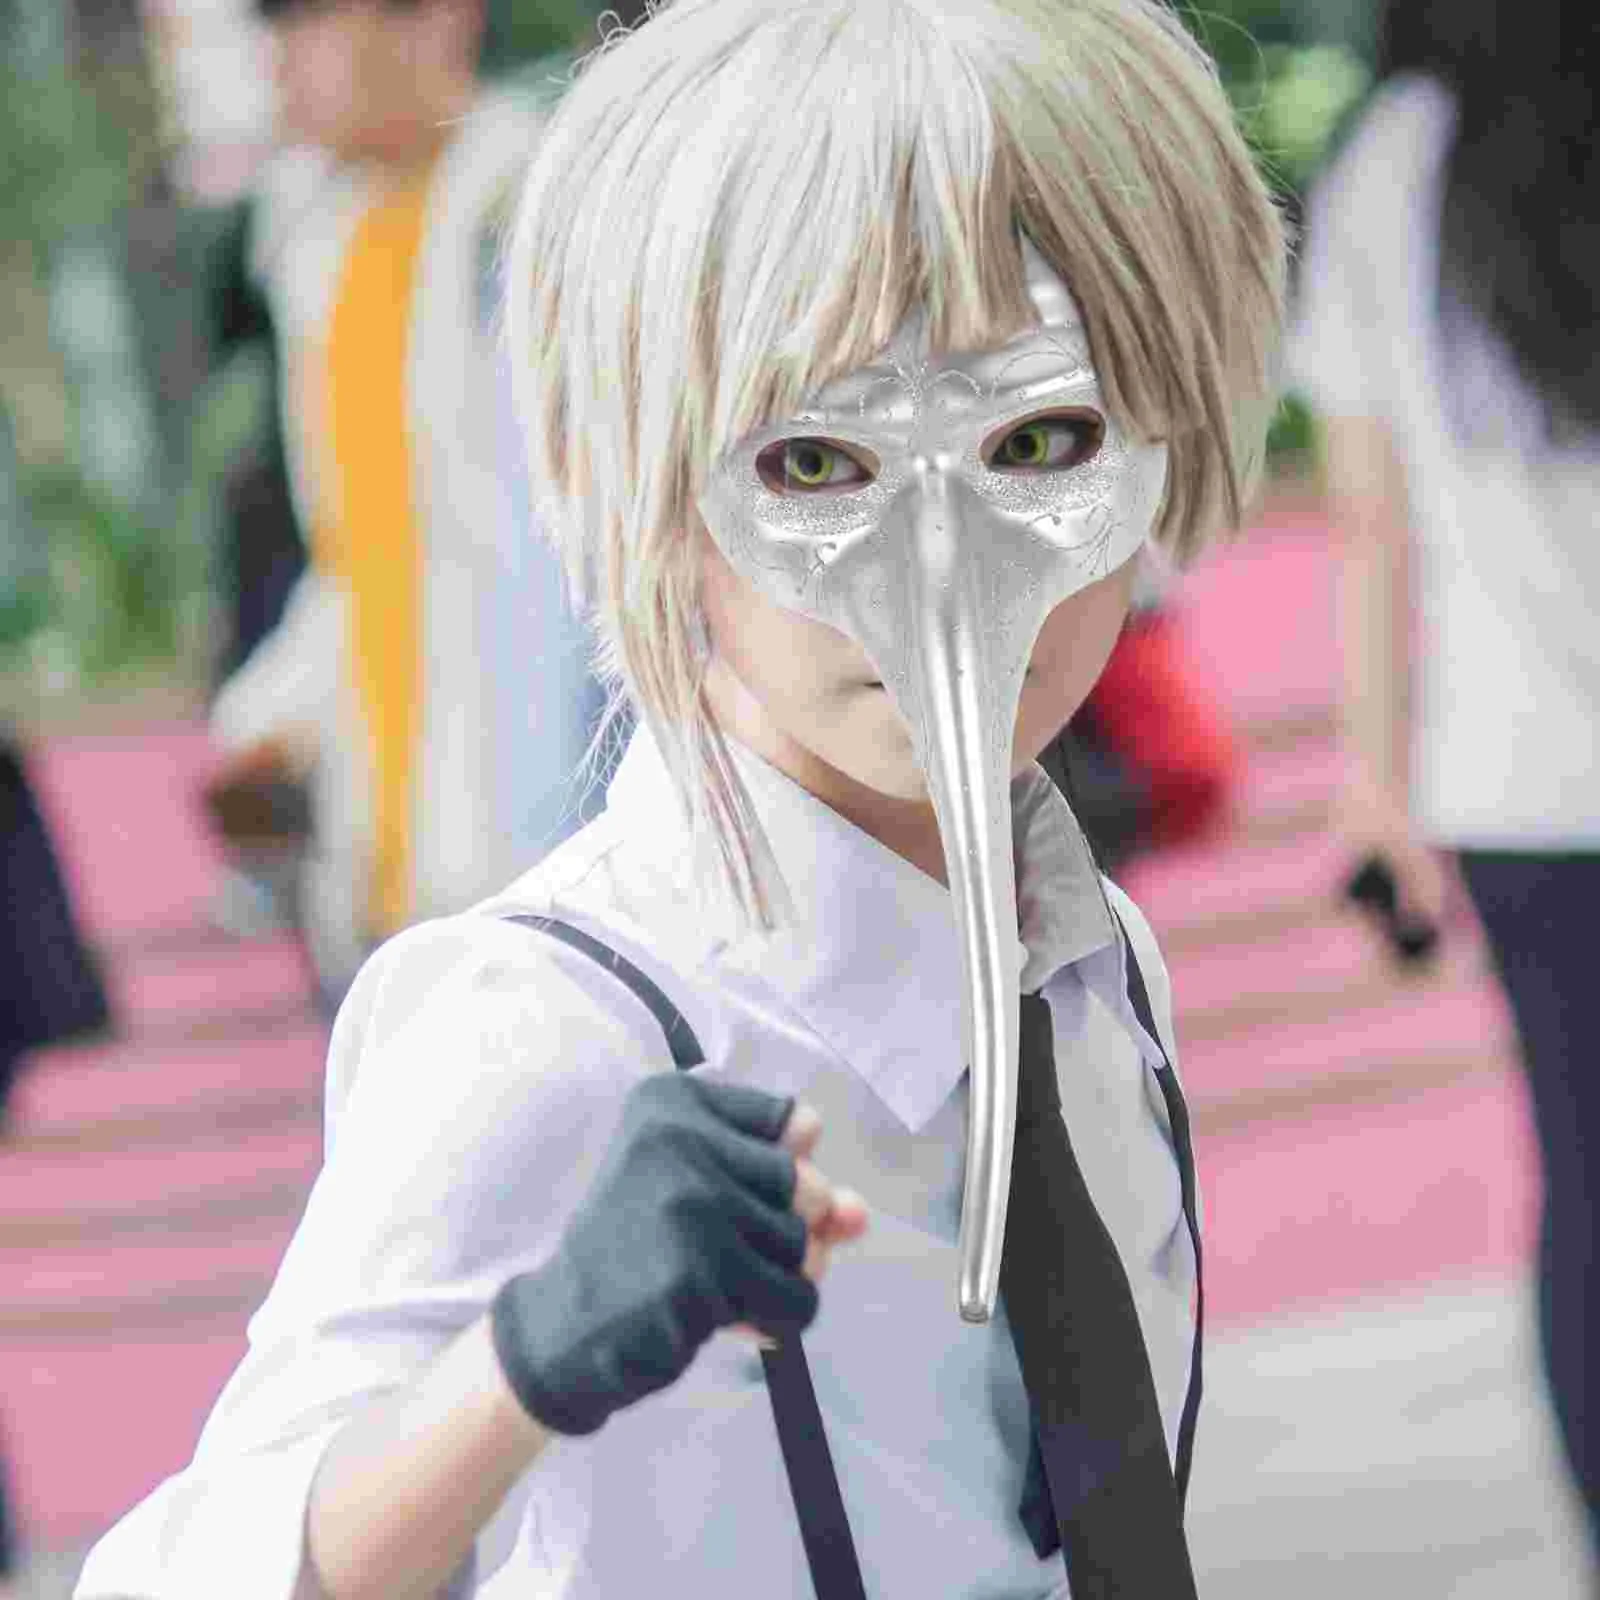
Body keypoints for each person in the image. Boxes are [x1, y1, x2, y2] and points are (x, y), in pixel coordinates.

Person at [75, 0, 1283, 1594]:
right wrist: (517, 1369)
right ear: (645, 477)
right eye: (815, 465)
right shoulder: (557, 1033)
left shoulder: (1095, 959)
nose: (944, 575)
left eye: (1040, 439)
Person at [1292, 0, 1600, 1573]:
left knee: (1590, 1187)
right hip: (1523, 784)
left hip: (1521, 784)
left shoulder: (1387, 174)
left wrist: (1373, 787)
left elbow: (1372, 522)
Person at [207, 0, 607, 1005]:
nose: (278, 59)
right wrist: (275, 713)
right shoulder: (318, 244)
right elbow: (368, 550)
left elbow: (565, 575)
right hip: (394, 868)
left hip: (560, 863)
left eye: (305, 20)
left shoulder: (536, 212)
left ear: (438, 20)